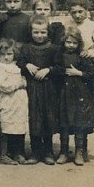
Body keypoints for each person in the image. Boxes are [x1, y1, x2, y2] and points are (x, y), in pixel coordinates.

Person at [65, 0, 94, 161]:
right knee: (69, 108)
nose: (77, 15)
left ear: (87, 11)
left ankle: (81, 150)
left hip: (86, 71)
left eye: (80, 11)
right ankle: (65, 148)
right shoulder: (67, 25)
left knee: (84, 111)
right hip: (69, 69)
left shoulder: (93, 27)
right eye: (73, 12)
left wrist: (90, 52)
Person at [18, 17, 61, 165]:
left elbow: (60, 67)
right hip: (31, 88)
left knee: (48, 118)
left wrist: (49, 69)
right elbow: (19, 63)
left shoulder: (54, 48)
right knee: (34, 118)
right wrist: (27, 65)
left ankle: (48, 151)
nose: (39, 35)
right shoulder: (26, 48)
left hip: (48, 89)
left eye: (43, 32)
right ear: (31, 32)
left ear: (48, 32)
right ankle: (35, 151)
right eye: (36, 32)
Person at [56, 28, 94, 166]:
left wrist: (78, 72)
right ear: (64, 42)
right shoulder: (59, 55)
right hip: (63, 93)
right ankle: (63, 151)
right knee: (64, 123)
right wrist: (63, 71)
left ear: (79, 43)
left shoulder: (83, 56)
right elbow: (55, 68)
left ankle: (79, 152)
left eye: (74, 43)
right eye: (68, 42)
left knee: (79, 122)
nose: (70, 45)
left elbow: (90, 74)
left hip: (80, 94)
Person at [0, 38, 30, 165]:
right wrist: (19, 84)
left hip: (19, 102)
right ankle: (2, 154)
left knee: (19, 125)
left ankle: (17, 153)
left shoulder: (17, 66)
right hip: (7, 101)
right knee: (6, 126)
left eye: (9, 54)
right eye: (3, 54)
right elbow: (3, 85)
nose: (6, 57)